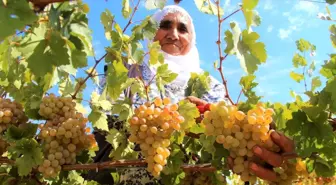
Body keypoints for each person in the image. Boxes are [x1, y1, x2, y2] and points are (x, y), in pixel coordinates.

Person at [88, 4, 296, 185]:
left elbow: (230, 137)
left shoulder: (210, 85)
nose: (174, 34)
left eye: (182, 28)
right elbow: (105, 128)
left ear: (192, 37)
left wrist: (261, 143)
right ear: (151, 32)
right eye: (165, 25)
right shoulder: (125, 71)